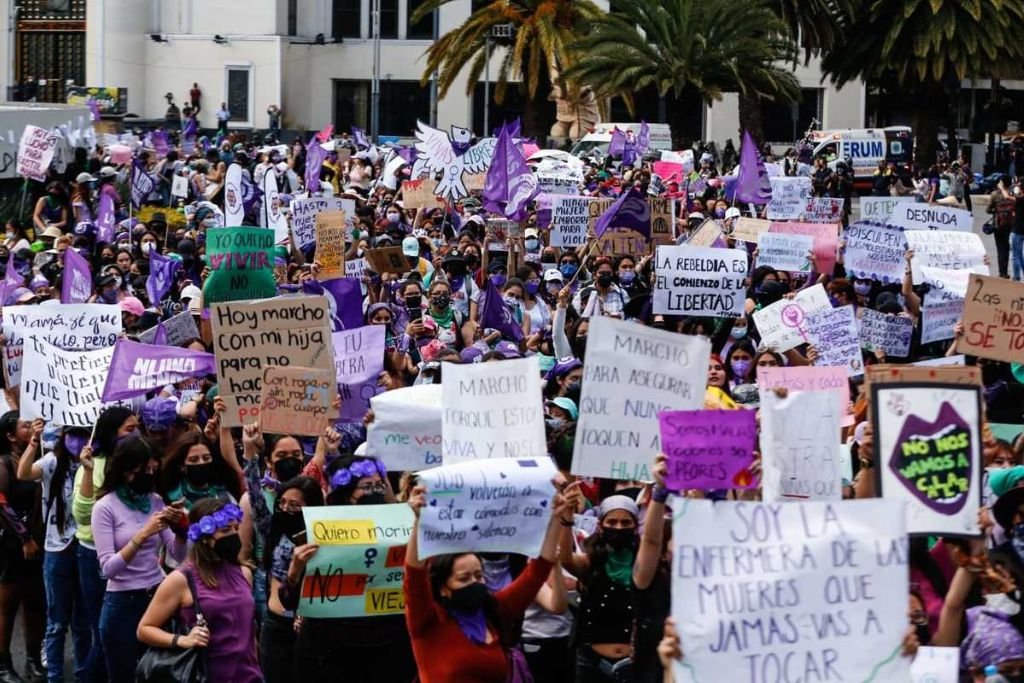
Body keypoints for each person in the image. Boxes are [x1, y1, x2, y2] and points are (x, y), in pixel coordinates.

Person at [402, 480, 569, 682]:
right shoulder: (428, 621)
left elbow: (537, 571)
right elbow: (414, 577)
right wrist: (420, 522)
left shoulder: (494, 611)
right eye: (464, 578)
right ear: (443, 588)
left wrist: (554, 518)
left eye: (479, 575)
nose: (475, 582)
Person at [91, 436, 187, 682]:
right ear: (126, 471)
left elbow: (177, 554)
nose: (150, 476)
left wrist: (180, 529)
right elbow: (108, 569)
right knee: (123, 674)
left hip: (157, 595)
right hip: (123, 602)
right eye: (144, 471)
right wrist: (143, 534)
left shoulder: (154, 501)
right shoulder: (105, 507)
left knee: (159, 673)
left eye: (153, 470)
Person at [137, 498, 262, 682]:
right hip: (206, 674)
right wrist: (181, 640)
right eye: (225, 530)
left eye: (236, 528)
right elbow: (144, 629)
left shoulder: (244, 573)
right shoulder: (181, 579)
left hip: (248, 675)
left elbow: (248, 628)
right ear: (204, 537)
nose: (234, 535)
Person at [15, 424, 92, 683]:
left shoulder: (95, 462)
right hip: (57, 549)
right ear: (63, 436)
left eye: (83, 434)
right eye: (73, 434)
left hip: (85, 547)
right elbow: (23, 473)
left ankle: (83, 675)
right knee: (57, 622)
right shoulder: (51, 461)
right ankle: (55, 677)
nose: (77, 440)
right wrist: (34, 440)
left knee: (82, 622)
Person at [0, 412, 46, 682]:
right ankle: (4, 665)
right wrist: (25, 538)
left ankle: (33, 660)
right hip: (12, 543)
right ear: (10, 436)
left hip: (38, 542)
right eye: (25, 426)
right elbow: (1, 503)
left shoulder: (38, 459)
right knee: (8, 606)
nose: (31, 428)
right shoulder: (4, 463)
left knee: (35, 602)